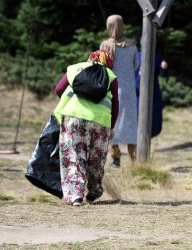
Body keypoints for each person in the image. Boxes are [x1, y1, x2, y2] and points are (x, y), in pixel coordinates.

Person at [53, 50, 119, 206]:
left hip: (74, 118)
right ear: (108, 62)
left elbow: (58, 89)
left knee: (75, 156)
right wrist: (111, 127)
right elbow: (115, 105)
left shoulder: (75, 68)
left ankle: (75, 195)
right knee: (96, 158)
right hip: (100, 122)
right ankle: (94, 191)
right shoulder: (110, 75)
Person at [100, 14, 139, 168]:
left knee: (113, 122)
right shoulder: (132, 45)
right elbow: (136, 65)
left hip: (112, 89)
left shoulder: (105, 46)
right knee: (130, 124)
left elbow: (101, 67)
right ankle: (133, 157)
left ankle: (116, 159)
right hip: (129, 91)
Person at [135, 50, 168, 138]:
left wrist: (163, 68)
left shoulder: (157, 56)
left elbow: (163, 74)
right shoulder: (136, 55)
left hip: (153, 90)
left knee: (154, 114)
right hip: (137, 91)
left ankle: (149, 136)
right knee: (137, 114)